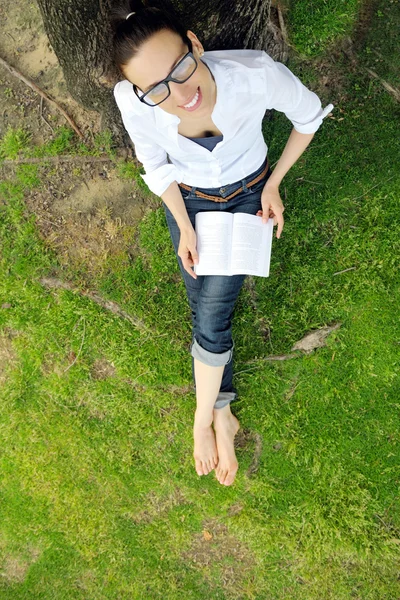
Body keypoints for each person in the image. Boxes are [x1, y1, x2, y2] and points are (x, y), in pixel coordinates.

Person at [110, 0, 333, 486]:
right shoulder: (132, 102)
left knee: (212, 311)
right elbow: (157, 167)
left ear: (194, 43)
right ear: (138, 90)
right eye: (156, 88)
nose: (179, 92)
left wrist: (274, 184)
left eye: (180, 67)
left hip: (250, 192)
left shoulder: (255, 75)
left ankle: (204, 419)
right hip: (188, 201)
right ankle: (222, 412)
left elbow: (310, 118)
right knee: (201, 301)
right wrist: (185, 227)